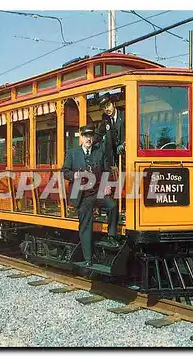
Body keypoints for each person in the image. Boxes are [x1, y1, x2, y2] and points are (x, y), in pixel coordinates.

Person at [62, 124, 119, 267]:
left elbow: (106, 171)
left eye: (91, 136)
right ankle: (88, 259)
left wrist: (106, 185)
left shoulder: (99, 153)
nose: (89, 139)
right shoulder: (72, 153)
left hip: (97, 193)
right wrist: (74, 174)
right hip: (82, 196)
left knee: (112, 206)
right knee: (86, 225)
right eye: (86, 136)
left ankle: (111, 236)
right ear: (81, 137)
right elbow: (64, 171)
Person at [95, 92, 125, 168]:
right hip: (115, 159)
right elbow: (98, 134)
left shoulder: (124, 114)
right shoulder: (105, 118)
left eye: (108, 105)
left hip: (127, 156)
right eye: (104, 108)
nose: (107, 109)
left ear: (114, 104)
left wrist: (125, 144)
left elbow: (132, 133)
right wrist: (87, 142)